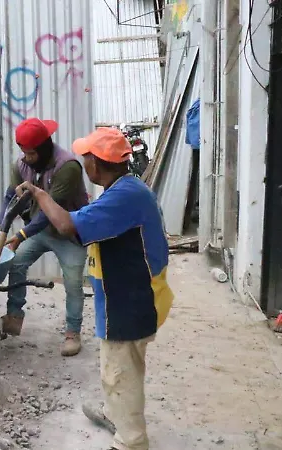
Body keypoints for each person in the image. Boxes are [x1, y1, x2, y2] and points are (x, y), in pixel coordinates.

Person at [21, 127, 174, 450]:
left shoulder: (124, 197)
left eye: (86, 157)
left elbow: (66, 224)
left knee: (122, 373)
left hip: (131, 301)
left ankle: (130, 441)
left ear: (96, 162)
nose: (83, 161)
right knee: (114, 366)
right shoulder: (123, 188)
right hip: (124, 295)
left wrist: (40, 195)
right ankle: (113, 412)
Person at [0, 118, 89, 357]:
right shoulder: (21, 165)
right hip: (41, 231)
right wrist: (0, 229)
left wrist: (21, 235)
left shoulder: (68, 167)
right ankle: (14, 316)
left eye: (31, 153)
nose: (27, 158)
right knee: (16, 262)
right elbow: (10, 197)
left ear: (45, 148)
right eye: (23, 152)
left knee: (73, 283)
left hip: (70, 233)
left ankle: (72, 332)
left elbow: (50, 212)